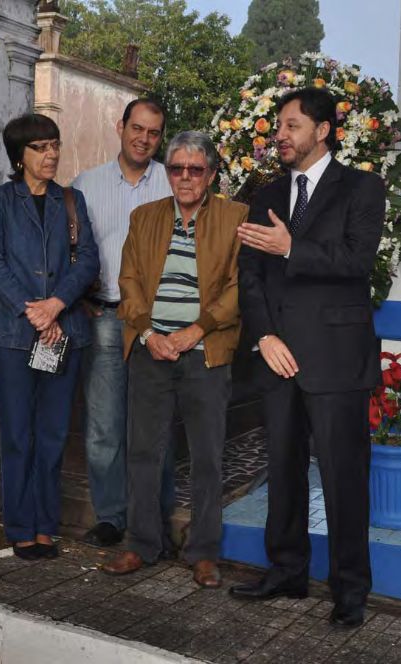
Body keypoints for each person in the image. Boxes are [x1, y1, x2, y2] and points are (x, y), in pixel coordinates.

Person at [229, 88, 386, 628]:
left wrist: (291, 248)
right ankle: (287, 571)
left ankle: (349, 591)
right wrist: (265, 336)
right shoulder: (266, 193)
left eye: (292, 125)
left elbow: (357, 260)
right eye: (279, 126)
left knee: (343, 478)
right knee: (283, 469)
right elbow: (248, 276)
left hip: (337, 359)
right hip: (277, 358)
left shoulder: (362, 187)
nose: (281, 135)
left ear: (322, 130)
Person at [101, 131, 246, 587]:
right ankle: (143, 543)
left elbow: (239, 288)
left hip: (205, 353)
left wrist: (196, 330)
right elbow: (129, 280)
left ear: (212, 174)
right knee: (143, 452)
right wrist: (147, 332)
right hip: (151, 351)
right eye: (177, 168)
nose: (185, 177)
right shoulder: (144, 217)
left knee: (207, 456)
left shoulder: (236, 217)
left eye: (195, 169)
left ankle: (202, 552)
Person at [0, 113, 99, 560]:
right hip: (13, 335)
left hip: (64, 332)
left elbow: (87, 260)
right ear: (19, 155)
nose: (50, 154)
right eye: (39, 147)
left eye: (54, 145)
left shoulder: (72, 201)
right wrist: (34, 311)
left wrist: (56, 306)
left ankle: (46, 524)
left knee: (51, 435)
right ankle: (19, 525)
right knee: (17, 434)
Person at [72, 99, 177, 548]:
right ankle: (112, 516)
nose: (144, 139)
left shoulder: (174, 183)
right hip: (105, 318)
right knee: (103, 427)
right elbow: (71, 250)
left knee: (155, 426)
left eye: (154, 133)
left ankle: (154, 518)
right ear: (121, 127)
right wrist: (76, 298)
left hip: (156, 322)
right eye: (137, 128)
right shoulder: (86, 185)